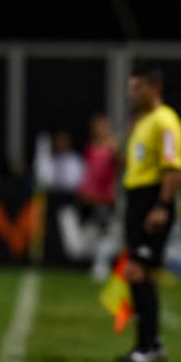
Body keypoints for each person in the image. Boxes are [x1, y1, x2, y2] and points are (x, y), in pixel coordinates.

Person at [116, 61, 181, 362]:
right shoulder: (142, 122)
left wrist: (162, 206)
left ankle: (149, 345)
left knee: (138, 271)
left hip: (151, 200)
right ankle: (146, 344)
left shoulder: (165, 121)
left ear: (154, 88)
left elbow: (174, 167)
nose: (131, 93)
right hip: (136, 200)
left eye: (137, 87)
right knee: (137, 273)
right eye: (130, 88)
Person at [79, 114, 120, 281]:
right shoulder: (90, 147)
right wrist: (84, 191)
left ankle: (102, 264)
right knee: (92, 232)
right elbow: (89, 172)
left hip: (106, 196)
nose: (100, 129)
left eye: (103, 126)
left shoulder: (112, 146)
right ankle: (96, 262)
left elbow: (120, 164)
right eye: (97, 126)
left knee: (107, 231)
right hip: (91, 196)